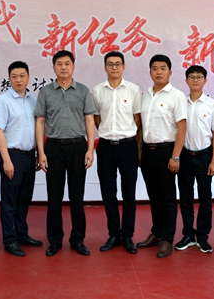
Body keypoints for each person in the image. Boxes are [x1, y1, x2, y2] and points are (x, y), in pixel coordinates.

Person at [36, 50, 96, 257]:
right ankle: (55, 240)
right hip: (53, 148)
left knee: (77, 196)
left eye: (67, 63)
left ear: (73, 67)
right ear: (53, 67)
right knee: (54, 196)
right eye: (59, 63)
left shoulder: (83, 90)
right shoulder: (45, 92)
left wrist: (90, 149)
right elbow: (40, 122)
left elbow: (89, 120)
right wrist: (41, 152)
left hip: (78, 146)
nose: (63, 67)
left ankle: (78, 240)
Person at [137, 54, 187, 258]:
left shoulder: (176, 96)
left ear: (170, 72)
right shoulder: (146, 95)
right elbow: (141, 127)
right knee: (154, 196)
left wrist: (175, 157)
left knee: (167, 197)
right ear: (150, 72)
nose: (159, 72)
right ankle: (156, 233)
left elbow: (182, 127)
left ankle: (167, 239)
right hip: (148, 152)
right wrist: (140, 151)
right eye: (155, 68)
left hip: (167, 151)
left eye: (163, 68)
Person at [92, 51, 141, 254]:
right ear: (105, 67)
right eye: (110, 64)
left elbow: (137, 119)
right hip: (105, 146)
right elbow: (96, 118)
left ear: (123, 67)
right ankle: (113, 234)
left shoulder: (133, 90)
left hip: (127, 146)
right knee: (108, 192)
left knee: (129, 192)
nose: (114, 67)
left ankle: (127, 235)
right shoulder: (97, 90)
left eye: (117, 64)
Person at [0, 61, 43, 257]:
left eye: (22, 76)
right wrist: (6, 160)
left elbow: (37, 128)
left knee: (24, 199)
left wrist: (38, 153)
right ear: (9, 78)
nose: (18, 80)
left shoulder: (32, 99)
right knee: (9, 201)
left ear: (28, 77)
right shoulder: (3, 100)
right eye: (14, 76)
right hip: (12, 155)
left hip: (29, 156)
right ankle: (9, 240)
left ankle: (22, 234)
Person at [175, 65, 214, 254]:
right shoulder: (180, 103)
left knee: (205, 199)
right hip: (185, 156)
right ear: (186, 80)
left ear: (205, 80)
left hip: (204, 156)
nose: (195, 80)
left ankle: (202, 237)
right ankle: (188, 234)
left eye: (199, 77)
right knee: (185, 198)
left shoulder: (212, 105)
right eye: (192, 77)